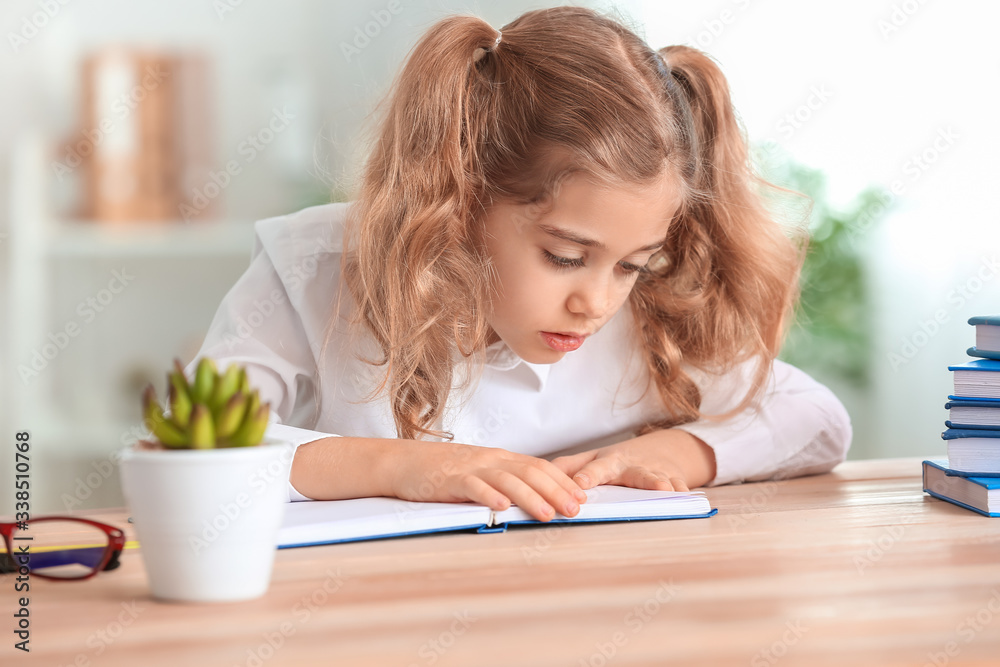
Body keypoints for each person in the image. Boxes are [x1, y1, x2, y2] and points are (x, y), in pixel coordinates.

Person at [184, 6, 851, 524]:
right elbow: (194, 450)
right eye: (565, 256)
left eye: (632, 265)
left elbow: (816, 420)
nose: (596, 301)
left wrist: (674, 453)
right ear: (462, 200)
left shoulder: (650, 311)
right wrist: (404, 465)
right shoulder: (316, 268)